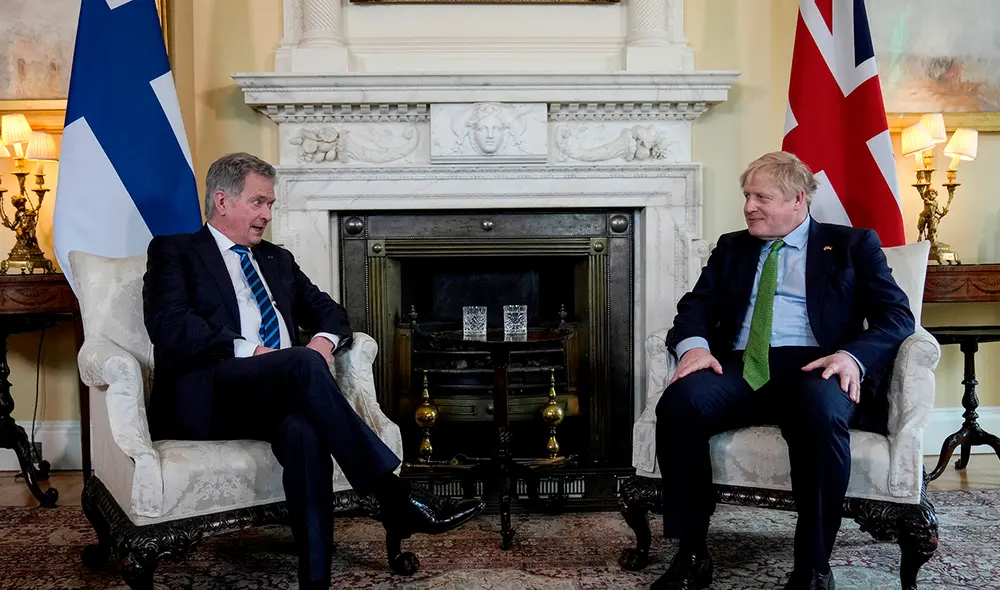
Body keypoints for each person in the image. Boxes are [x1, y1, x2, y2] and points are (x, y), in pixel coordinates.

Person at [142, 152, 485, 589]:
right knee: (302, 363)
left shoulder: (276, 260)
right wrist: (254, 352)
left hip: (284, 391)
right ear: (222, 201)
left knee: (304, 432)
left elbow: (331, 312)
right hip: (210, 396)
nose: (268, 214)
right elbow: (169, 327)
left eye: (271, 204)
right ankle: (395, 495)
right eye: (259, 202)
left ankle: (315, 583)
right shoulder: (175, 251)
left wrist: (321, 343)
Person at [651, 151, 915, 590]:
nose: (749, 206)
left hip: (817, 364)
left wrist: (851, 356)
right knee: (680, 403)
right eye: (747, 195)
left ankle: (813, 567)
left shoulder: (852, 245)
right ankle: (692, 553)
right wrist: (693, 348)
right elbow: (695, 306)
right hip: (739, 363)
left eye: (762, 198)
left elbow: (896, 317)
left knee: (819, 413)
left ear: (798, 200)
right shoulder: (733, 247)